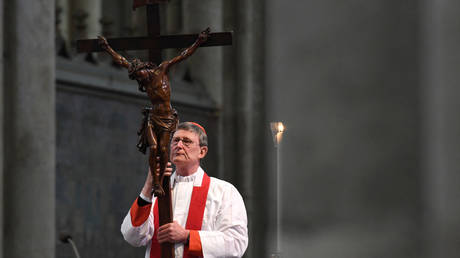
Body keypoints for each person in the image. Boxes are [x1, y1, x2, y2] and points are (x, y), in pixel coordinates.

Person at [98, 28, 210, 197]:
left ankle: (161, 181)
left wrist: (198, 42)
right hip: (153, 117)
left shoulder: (162, 70)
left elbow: (183, 55)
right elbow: (121, 61)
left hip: (167, 117)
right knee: (154, 147)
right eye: (138, 77)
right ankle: (156, 183)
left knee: (164, 148)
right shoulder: (143, 79)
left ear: (144, 68)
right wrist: (106, 47)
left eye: (140, 75)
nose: (141, 79)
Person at [121, 122, 248, 258]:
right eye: (175, 140)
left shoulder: (223, 191)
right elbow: (132, 236)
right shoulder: (157, 191)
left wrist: (187, 236)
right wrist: (148, 186)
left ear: (202, 151)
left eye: (186, 141)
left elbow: (236, 243)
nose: (179, 145)